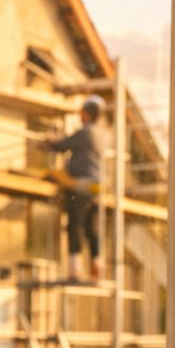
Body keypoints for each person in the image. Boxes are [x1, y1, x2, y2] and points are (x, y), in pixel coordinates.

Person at [44, 95, 104, 281]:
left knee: (74, 224)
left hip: (82, 184)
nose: (80, 115)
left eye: (82, 112)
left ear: (88, 114)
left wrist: (49, 141)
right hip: (96, 186)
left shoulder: (85, 132)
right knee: (90, 226)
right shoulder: (101, 134)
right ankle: (97, 265)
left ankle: (74, 269)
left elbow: (62, 145)